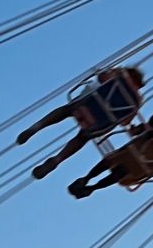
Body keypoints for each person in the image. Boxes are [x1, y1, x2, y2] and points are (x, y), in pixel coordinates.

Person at [17, 67, 146, 180]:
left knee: (67, 110)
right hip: (97, 123)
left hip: (86, 106)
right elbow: (125, 122)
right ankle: (58, 158)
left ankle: (37, 126)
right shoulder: (137, 101)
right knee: (83, 137)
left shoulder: (119, 76)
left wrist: (110, 72)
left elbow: (102, 78)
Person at [68, 112, 153, 197]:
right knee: (114, 160)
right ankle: (87, 180)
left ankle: (92, 186)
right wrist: (137, 129)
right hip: (127, 157)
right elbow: (134, 131)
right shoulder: (147, 129)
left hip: (136, 168)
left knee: (120, 168)